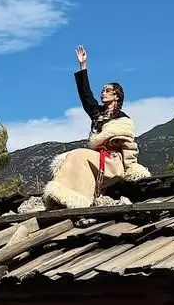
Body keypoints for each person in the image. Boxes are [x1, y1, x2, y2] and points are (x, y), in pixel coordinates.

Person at [41, 46, 150, 208]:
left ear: (116, 96)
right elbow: (86, 95)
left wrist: (131, 167)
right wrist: (82, 65)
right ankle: (69, 196)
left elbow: (129, 146)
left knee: (78, 154)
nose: (103, 93)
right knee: (71, 156)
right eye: (102, 91)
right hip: (98, 158)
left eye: (107, 91)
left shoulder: (123, 120)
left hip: (113, 162)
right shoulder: (98, 114)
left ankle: (76, 199)